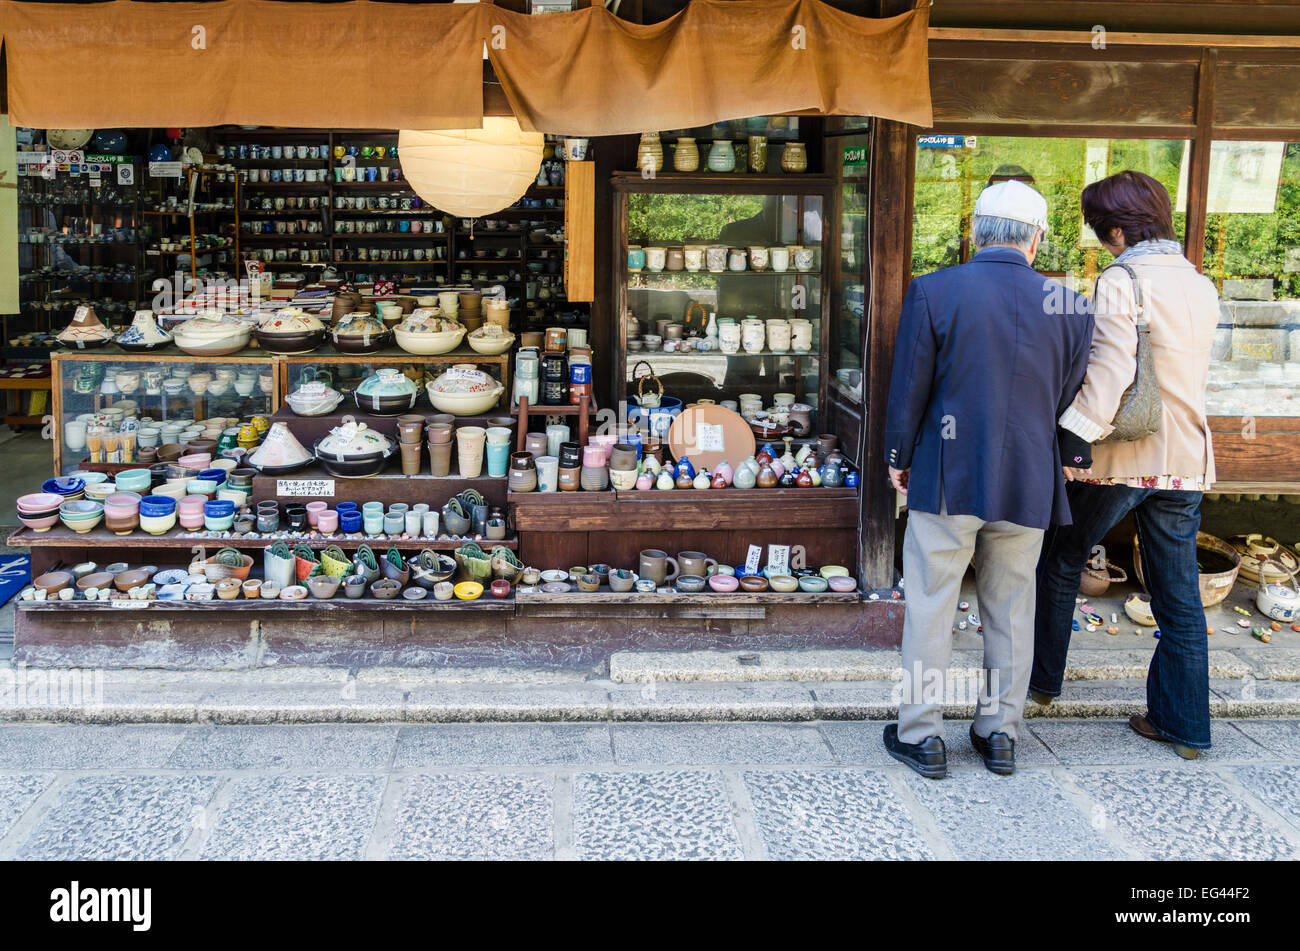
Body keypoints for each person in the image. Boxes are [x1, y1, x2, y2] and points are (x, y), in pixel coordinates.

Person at [882, 180, 1094, 779]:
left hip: (948, 475)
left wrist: (899, 454)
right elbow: (1067, 398)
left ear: (975, 232)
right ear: (1037, 239)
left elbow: (910, 389)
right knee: (1010, 607)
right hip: (1029, 477)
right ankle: (999, 733)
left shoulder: (934, 290)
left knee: (931, 604)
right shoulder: (1071, 306)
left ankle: (921, 735)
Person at [1032, 170, 1220, 759]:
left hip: (1123, 457)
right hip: (1185, 458)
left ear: (1117, 229)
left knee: (1061, 558)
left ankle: (1041, 686)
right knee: (1177, 595)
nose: (1102, 242)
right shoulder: (1198, 282)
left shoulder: (1123, 278)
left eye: (1100, 230)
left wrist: (1073, 440)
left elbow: (1112, 370)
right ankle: (1185, 726)